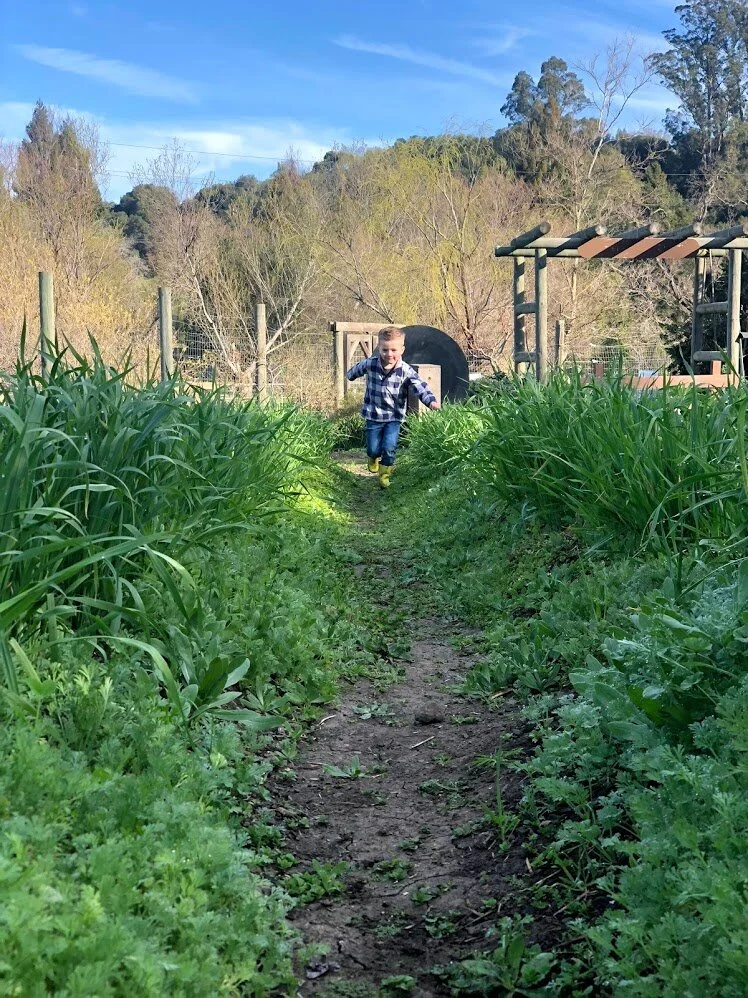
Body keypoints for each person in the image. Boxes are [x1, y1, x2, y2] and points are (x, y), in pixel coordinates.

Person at [346, 325, 441, 488]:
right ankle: (373, 457)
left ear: (402, 349)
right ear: (379, 348)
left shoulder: (405, 370)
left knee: (390, 447)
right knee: (373, 448)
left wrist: (430, 401)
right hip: (373, 415)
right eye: (385, 350)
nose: (389, 354)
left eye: (394, 350)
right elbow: (356, 370)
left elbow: (420, 386)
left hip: (394, 417)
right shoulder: (371, 364)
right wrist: (351, 375)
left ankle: (385, 474)